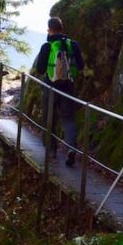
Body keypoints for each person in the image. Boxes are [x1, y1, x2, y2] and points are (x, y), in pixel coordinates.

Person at [32, 16, 85, 167]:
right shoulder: (73, 45)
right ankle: (71, 149)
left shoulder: (47, 46)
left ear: (49, 30)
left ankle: (51, 151)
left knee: (49, 119)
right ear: (62, 28)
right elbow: (80, 66)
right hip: (68, 87)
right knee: (69, 119)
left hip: (50, 87)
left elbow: (40, 69)